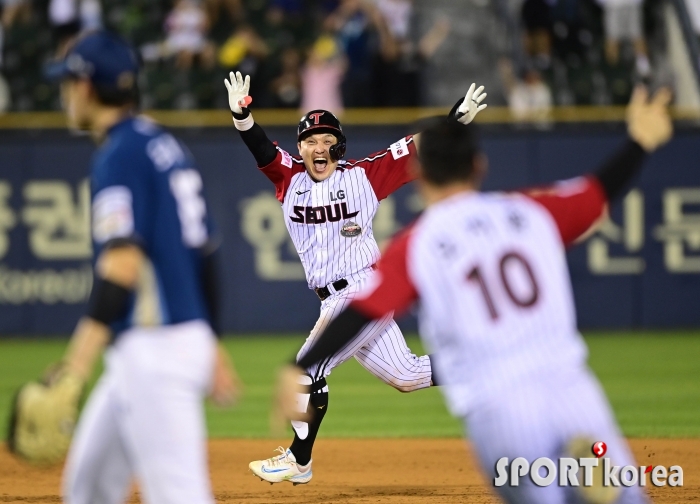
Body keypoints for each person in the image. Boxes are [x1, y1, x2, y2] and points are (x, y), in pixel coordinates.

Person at [273, 86, 672, 503]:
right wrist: (639, 142)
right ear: (479, 166)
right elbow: (597, 192)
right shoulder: (530, 211)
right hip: (574, 394)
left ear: (421, 177)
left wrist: (302, 365)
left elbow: (365, 308)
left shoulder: (419, 243)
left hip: (502, 411)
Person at [224, 71, 487, 485]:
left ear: (339, 147)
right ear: (300, 148)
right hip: (334, 296)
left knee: (304, 372)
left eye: (328, 140)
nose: (320, 147)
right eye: (311, 141)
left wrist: (455, 120)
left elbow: (414, 149)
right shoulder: (288, 178)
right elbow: (260, 148)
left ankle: (299, 460)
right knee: (408, 374)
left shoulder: (363, 176)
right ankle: (483, 360)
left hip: (361, 290)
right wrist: (242, 115)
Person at [45, 31, 239, 504]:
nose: (64, 93)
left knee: (180, 496)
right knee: (87, 489)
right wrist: (210, 341)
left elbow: (122, 265)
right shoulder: (160, 144)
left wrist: (74, 367)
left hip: (156, 352)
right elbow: (205, 251)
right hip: (159, 346)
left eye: (68, 83)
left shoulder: (118, 155)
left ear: (86, 87)